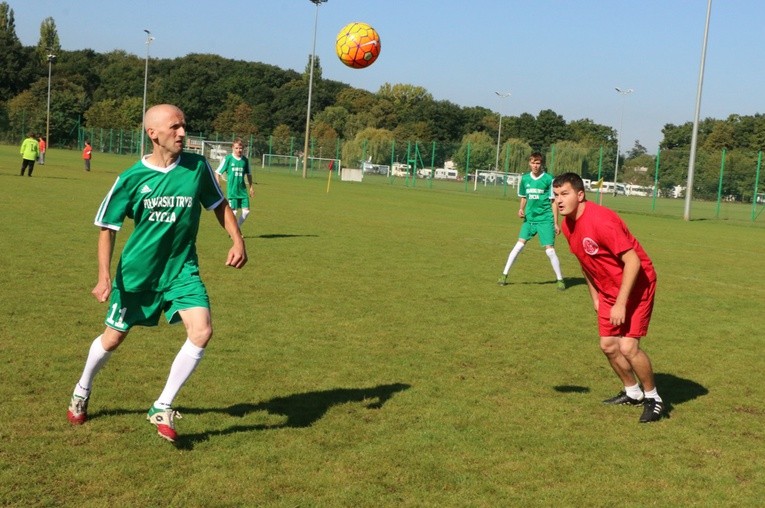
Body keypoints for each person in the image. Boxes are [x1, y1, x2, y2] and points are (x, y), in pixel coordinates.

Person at [66, 104, 248, 442]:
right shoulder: (132, 178)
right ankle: (82, 388)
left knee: (202, 330)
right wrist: (104, 276)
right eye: (175, 127)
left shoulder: (196, 168)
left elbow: (219, 205)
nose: (183, 133)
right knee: (113, 338)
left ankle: (162, 405)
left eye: (184, 126)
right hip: (137, 275)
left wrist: (238, 239)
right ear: (153, 134)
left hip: (181, 269)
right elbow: (107, 226)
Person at [552, 172, 663, 423]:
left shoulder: (601, 221)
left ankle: (653, 398)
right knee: (609, 346)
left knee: (627, 346)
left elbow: (633, 261)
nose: (559, 200)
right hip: (608, 290)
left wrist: (621, 303)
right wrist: (595, 297)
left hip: (637, 286)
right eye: (556, 195)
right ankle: (633, 392)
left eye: (565, 194)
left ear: (580, 195)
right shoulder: (569, 224)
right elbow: (586, 263)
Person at [498, 152, 565, 290]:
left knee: (550, 251)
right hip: (529, 219)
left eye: (538, 163)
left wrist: (555, 223)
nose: (535, 165)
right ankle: (504, 275)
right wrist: (521, 209)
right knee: (518, 246)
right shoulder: (525, 179)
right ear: (529, 163)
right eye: (533, 163)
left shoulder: (548, 179)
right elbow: (523, 197)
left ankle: (560, 279)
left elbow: (553, 202)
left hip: (545, 219)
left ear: (542, 164)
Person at [215, 138, 254, 228]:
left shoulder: (245, 160)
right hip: (232, 190)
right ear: (232, 148)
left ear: (243, 148)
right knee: (234, 212)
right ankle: (234, 232)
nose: (238, 150)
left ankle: (237, 228)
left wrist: (251, 187)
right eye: (236, 148)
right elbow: (217, 173)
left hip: (243, 190)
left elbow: (249, 174)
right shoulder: (228, 159)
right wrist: (218, 184)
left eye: (240, 148)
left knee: (246, 211)